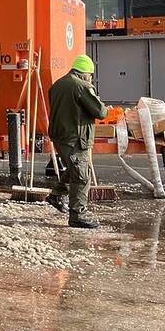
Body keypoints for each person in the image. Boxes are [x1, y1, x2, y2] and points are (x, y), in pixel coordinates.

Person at [46, 54, 108, 229]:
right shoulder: (82, 86)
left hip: (60, 135)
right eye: (90, 75)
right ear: (86, 73)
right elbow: (100, 112)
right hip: (74, 137)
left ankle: (57, 195)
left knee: (74, 168)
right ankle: (77, 215)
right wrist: (104, 108)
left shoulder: (58, 84)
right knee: (82, 175)